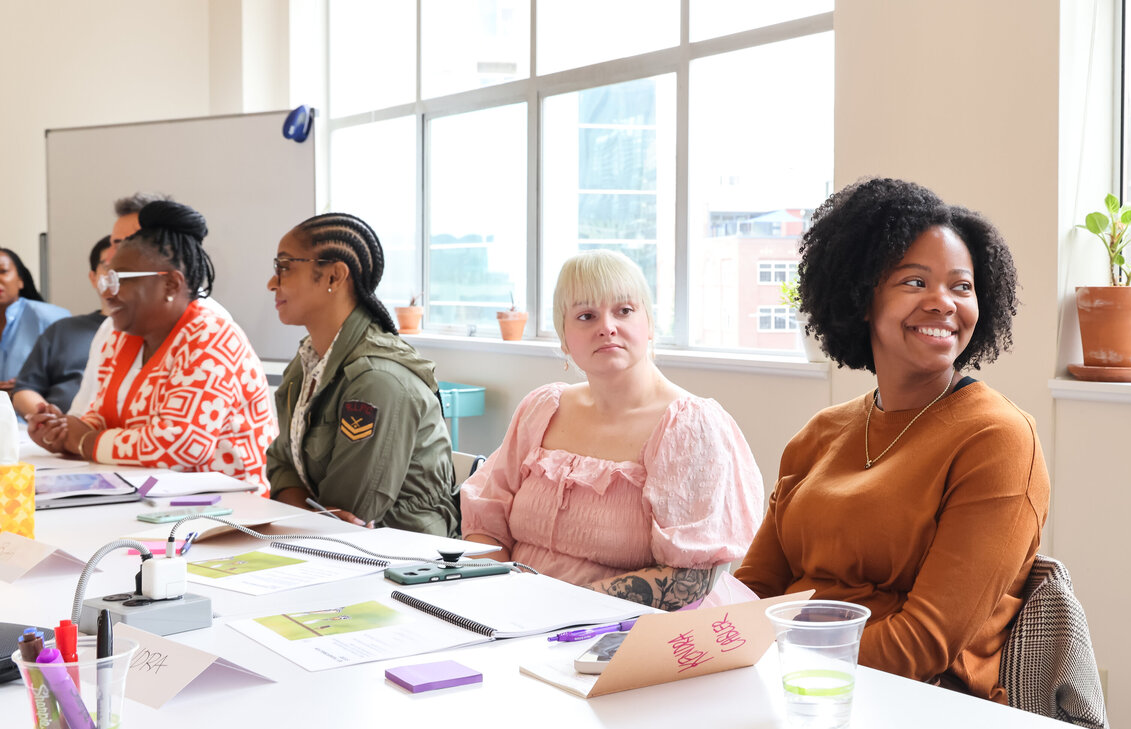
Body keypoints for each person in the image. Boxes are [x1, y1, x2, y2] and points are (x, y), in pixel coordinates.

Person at [735, 177, 1049, 703]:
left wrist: (776, 661)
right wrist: (697, 647)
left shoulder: (997, 438)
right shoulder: (819, 435)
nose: (942, 303)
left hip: (915, 709)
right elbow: (754, 590)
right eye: (914, 282)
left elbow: (923, 644)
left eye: (961, 286)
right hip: (782, 685)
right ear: (861, 297)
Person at [461, 250, 763, 610]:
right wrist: (488, 597)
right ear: (564, 338)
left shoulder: (690, 427)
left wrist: (553, 605)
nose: (606, 326)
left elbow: (690, 579)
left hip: (631, 630)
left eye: (624, 310)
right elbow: (488, 522)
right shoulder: (541, 409)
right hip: (515, 615)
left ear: (649, 324)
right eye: (586, 316)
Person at [26, 201, 277, 487]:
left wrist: (84, 440)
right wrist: (61, 433)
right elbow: (104, 416)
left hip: (226, 512)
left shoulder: (210, 335)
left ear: (170, 284)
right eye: (107, 279)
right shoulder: (121, 336)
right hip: (145, 498)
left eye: (120, 280)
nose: (107, 292)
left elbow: (183, 444)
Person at [265, 212, 458, 536]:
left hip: (402, 561)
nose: (273, 282)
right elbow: (281, 465)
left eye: (284, 267)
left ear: (333, 277)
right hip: (323, 546)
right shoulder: (307, 363)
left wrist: (300, 512)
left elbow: (351, 516)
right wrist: (305, 511)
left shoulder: (378, 382)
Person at [69, 192, 172, 416]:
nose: (109, 257)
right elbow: (84, 412)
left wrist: (85, 440)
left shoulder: (206, 327)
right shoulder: (112, 327)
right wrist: (60, 432)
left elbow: (175, 442)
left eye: (120, 244)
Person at [12, 236, 110, 417]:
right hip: (58, 433)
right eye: (108, 266)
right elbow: (24, 390)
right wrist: (52, 420)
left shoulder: (153, 333)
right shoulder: (62, 330)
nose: (117, 274)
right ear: (94, 277)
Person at [0, 248, 70, 389]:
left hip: (36, 407)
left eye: (3, 271)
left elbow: (72, 376)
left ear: (20, 280)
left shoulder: (52, 318)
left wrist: (28, 385)